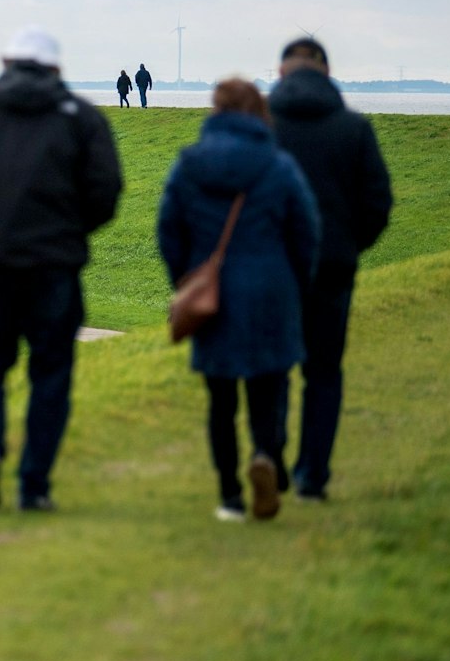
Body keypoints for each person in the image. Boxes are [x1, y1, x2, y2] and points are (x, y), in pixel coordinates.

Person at [0, 26, 124, 512]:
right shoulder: (81, 117)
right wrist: (72, 230)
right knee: (51, 371)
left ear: (4, 62)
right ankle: (33, 485)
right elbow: (106, 190)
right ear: (56, 67)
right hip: (55, 264)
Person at [159, 79, 320, 521]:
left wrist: (187, 280)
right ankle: (265, 453)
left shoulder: (189, 165)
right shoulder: (278, 165)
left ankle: (230, 495)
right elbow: (306, 232)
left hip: (212, 296)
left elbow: (169, 229)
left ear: (216, 110)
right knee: (268, 387)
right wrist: (295, 284)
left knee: (221, 399)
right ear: (258, 112)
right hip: (270, 289)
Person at [269, 38, 394, 501]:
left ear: (281, 73)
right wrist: (348, 246)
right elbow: (377, 203)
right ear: (326, 71)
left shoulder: (263, 126)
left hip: (274, 267)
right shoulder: (353, 128)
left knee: (273, 367)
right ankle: (312, 476)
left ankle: (269, 454)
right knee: (323, 373)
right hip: (333, 267)